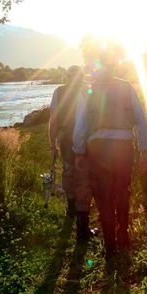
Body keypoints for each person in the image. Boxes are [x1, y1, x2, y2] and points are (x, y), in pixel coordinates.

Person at [73, 45, 147, 260]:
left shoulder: (87, 91)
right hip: (123, 147)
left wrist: (79, 152)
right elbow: (141, 120)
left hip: (97, 148)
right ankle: (123, 235)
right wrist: (145, 149)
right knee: (122, 190)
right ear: (114, 65)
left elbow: (80, 124)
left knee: (103, 196)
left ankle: (109, 246)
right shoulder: (126, 87)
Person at [49, 65, 97, 240]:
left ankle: (71, 207)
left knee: (69, 171)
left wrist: (52, 144)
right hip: (84, 137)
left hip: (67, 136)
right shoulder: (88, 91)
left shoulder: (59, 92)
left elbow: (53, 120)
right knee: (82, 175)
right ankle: (80, 216)